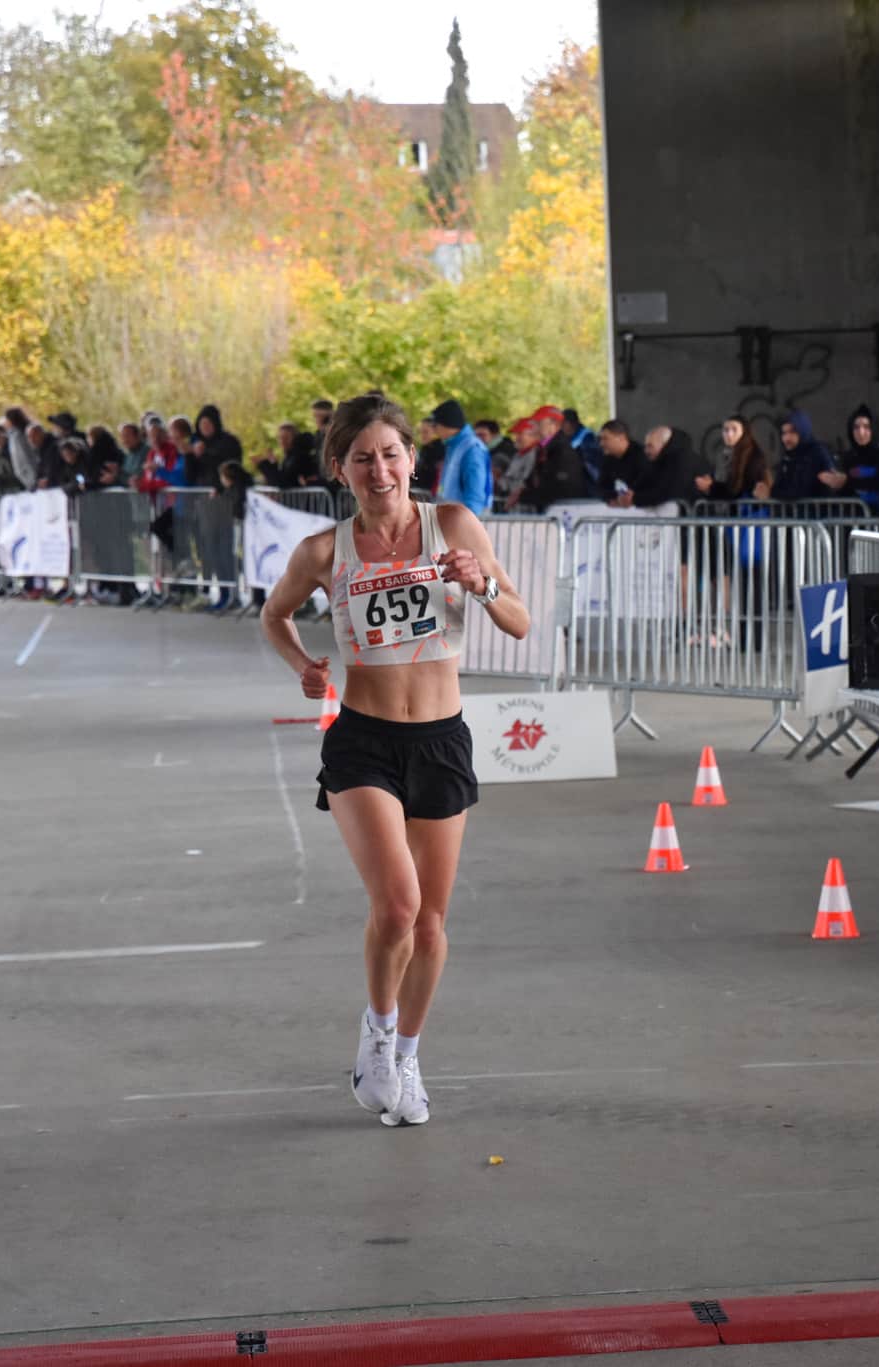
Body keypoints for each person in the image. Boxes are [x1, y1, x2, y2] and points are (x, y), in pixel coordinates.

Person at [261, 393, 530, 1127]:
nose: (379, 470)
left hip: (441, 740)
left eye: (390, 454)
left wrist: (480, 585)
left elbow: (519, 616)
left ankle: (408, 1055)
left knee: (434, 922)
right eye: (361, 458)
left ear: (413, 457)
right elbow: (273, 614)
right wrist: (303, 666)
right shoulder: (324, 551)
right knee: (400, 904)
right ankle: (376, 1036)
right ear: (339, 468)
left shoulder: (452, 525)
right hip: (363, 740)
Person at [430, 400, 493, 515]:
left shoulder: (472, 449)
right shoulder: (453, 446)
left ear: (448, 424)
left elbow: (475, 492)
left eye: (435, 425)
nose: (434, 430)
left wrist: (468, 524)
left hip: (467, 521)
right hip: (453, 517)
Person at [831, 404, 879, 509]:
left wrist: (848, 481)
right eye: (856, 427)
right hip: (853, 518)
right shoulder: (848, 457)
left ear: (874, 428)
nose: (861, 432)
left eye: (867, 427)